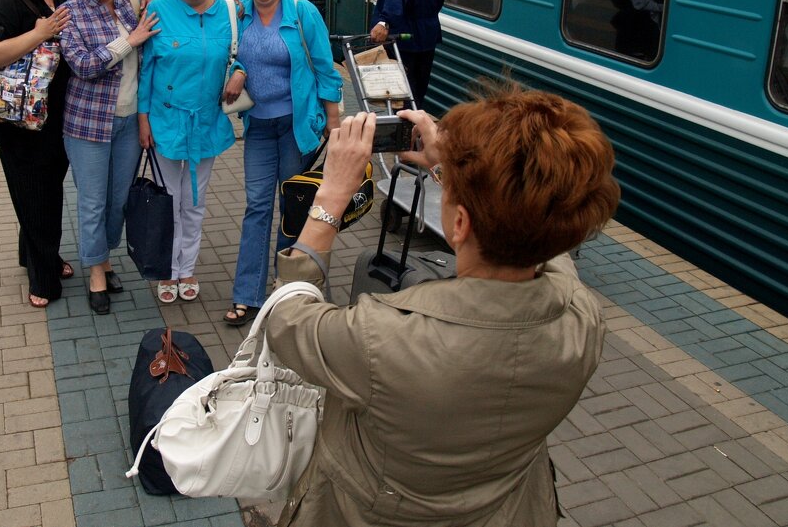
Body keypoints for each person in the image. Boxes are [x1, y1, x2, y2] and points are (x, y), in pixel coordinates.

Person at [266, 84, 621, 527]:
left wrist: (332, 196)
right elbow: (546, 227)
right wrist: (451, 171)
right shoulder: (582, 320)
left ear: (458, 223)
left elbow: (287, 316)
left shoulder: (382, 336)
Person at [221, 0, 342, 326]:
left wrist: (335, 124)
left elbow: (326, 69)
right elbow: (228, 52)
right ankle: (247, 295)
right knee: (257, 207)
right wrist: (239, 70)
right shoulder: (238, 13)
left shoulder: (301, 11)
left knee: (294, 208)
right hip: (258, 127)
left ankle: (285, 290)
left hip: (296, 127)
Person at [0, 0, 80, 307]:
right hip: (19, 121)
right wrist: (39, 32)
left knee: (41, 192)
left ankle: (34, 254)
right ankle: (43, 279)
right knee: (40, 197)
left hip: (59, 114)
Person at [60, 0, 161, 315]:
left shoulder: (125, 3)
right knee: (92, 202)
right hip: (87, 125)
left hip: (128, 121)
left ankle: (103, 255)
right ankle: (97, 272)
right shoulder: (70, 13)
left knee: (118, 201)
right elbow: (83, 66)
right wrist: (127, 41)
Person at [137, 0, 235, 304]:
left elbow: (238, 54)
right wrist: (142, 118)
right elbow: (146, 69)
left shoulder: (228, 13)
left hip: (206, 123)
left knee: (194, 200)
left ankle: (187, 268)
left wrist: (239, 72)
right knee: (169, 200)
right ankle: (167, 270)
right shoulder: (159, 9)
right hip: (164, 120)